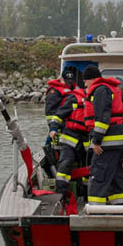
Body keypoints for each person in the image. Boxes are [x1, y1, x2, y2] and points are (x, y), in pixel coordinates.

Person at [82, 65, 123, 205]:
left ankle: (95, 211)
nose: (85, 84)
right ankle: (120, 209)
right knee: (115, 178)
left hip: (107, 143)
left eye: (86, 81)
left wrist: (96, 141)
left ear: (91, 79)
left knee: (98, 177)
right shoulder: (109, 88)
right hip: (117, 142)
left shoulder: (100, 90)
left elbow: (102, 119)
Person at [44, 67, 88, 195]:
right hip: (65, 133)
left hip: (83, 137)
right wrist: (54, 128)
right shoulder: (56, 92)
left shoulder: (81, 94)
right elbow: (53, 115)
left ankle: (84, 191)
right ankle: (61, 193)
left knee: (85, 164)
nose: (69, 83)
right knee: (64, 162)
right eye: (67, 80)